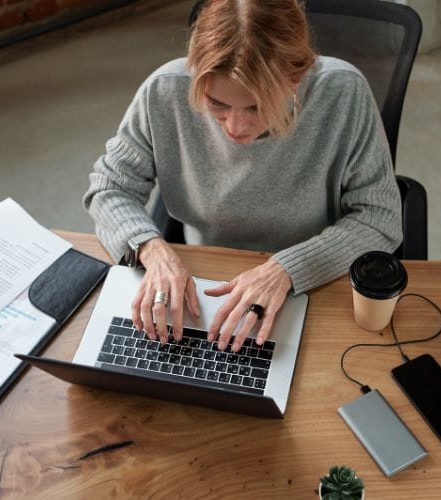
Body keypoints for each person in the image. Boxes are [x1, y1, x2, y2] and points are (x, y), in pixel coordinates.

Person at [84, 0, 402, 354]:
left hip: (312, 281)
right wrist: (151, 249)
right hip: (203, 280)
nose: (235, 128)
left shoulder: (343, 93)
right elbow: (109, 186)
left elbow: (380, 218)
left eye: (257, 106)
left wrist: (286, 269)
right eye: (216, 103)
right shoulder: (164, 91)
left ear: (296, 78)